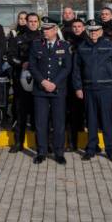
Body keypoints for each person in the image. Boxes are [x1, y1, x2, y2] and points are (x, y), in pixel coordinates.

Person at [72, 19, 112, 162]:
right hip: (88, 89)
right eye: (91, 30)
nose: (94, 33)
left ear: (101, 31)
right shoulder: (82, 47)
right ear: (87, 31)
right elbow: (76, 70)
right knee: (91, 121)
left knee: (107, 121)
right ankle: (91, 148)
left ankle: (110, 150)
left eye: (96, 30)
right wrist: (78, 87)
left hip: (106, 89)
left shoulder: (110, 46)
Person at [28, 17, 71, 165]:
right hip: (40, 90)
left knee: (59, 123)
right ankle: (41, 152)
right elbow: (32, 66)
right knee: (41, 123)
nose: (44, 31)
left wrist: (54, 83)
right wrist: (43, 81)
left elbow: (67, 67)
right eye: (43, 29)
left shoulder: (64, 46)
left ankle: (59, 152)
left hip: (58, 90)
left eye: (47, 29)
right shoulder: (36, 45)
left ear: (55, 30)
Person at [6, 13, 41, 152]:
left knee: (40, 115)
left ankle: (42, 144)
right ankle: (18, 143)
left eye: (35, 21)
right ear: (26, 23)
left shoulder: (43, 38)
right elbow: (10, 57)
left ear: (38, 23)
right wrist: (21, 63)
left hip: (39, 82)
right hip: (21, 81)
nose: (32, 23)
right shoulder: (18, 39)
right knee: (20, 113)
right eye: (30, 21)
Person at [65, 19, 87, 152]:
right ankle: (72, 144)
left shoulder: (88, 42)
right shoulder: (68, 42)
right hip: (70, 82)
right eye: (74, 27)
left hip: (85, 82)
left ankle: (92, 145)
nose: (77, 29)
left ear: (83, 28)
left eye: (79, 26)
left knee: (89, 114)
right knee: (71, 114)